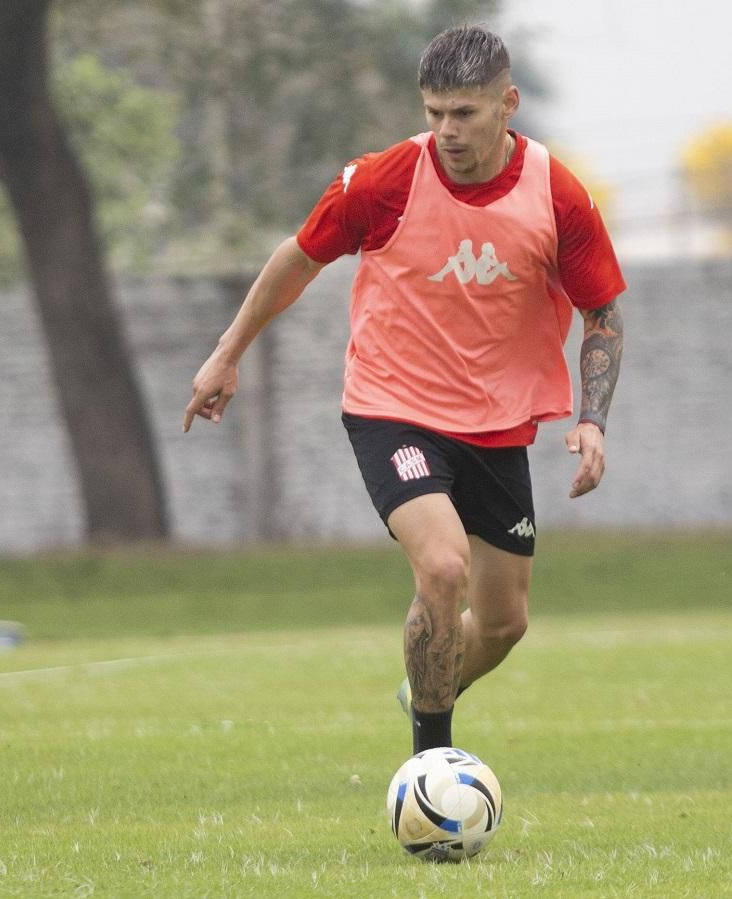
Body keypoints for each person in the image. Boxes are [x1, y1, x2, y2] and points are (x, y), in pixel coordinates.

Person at [184, 24, 625, 756]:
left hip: (499, 423)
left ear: (508, 104)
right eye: (434, 112)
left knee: (504, 623)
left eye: (465, 113)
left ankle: (425, 681)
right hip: (394, 409)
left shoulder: (557, 195)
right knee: (443, 568)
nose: (447, 131)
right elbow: (299, 257)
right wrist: (227, 353)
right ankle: (430, 764)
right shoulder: (383, 180)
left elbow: (602, 312)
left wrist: (593, 419)